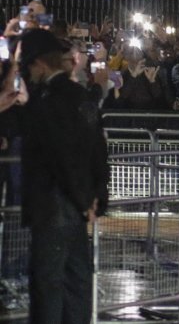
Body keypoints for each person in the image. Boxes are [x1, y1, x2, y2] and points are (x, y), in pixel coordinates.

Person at [17, 29, 109, 322]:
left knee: (48, 283)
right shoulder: (81, 96)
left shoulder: (47, 101)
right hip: (79, 204)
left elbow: (61, 154)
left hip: (53, 201)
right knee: (77, 280)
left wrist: (82, 198)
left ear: (39, 64)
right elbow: (97, 147)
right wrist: (95, 196)